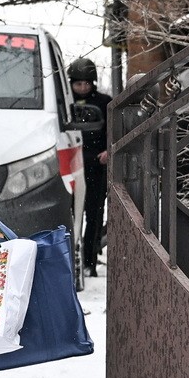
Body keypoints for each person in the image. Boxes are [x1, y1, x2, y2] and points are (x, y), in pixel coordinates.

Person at [66, 56, 110, 276]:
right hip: (70, 164)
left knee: (94, 213)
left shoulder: (105, 102)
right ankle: (70, 258)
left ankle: (89, 260)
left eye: (86, 83)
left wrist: (109, 151)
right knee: (71, 214)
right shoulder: (64, 103)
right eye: (78, 83)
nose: (82, 88)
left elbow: (114, 130)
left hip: (96, 165)